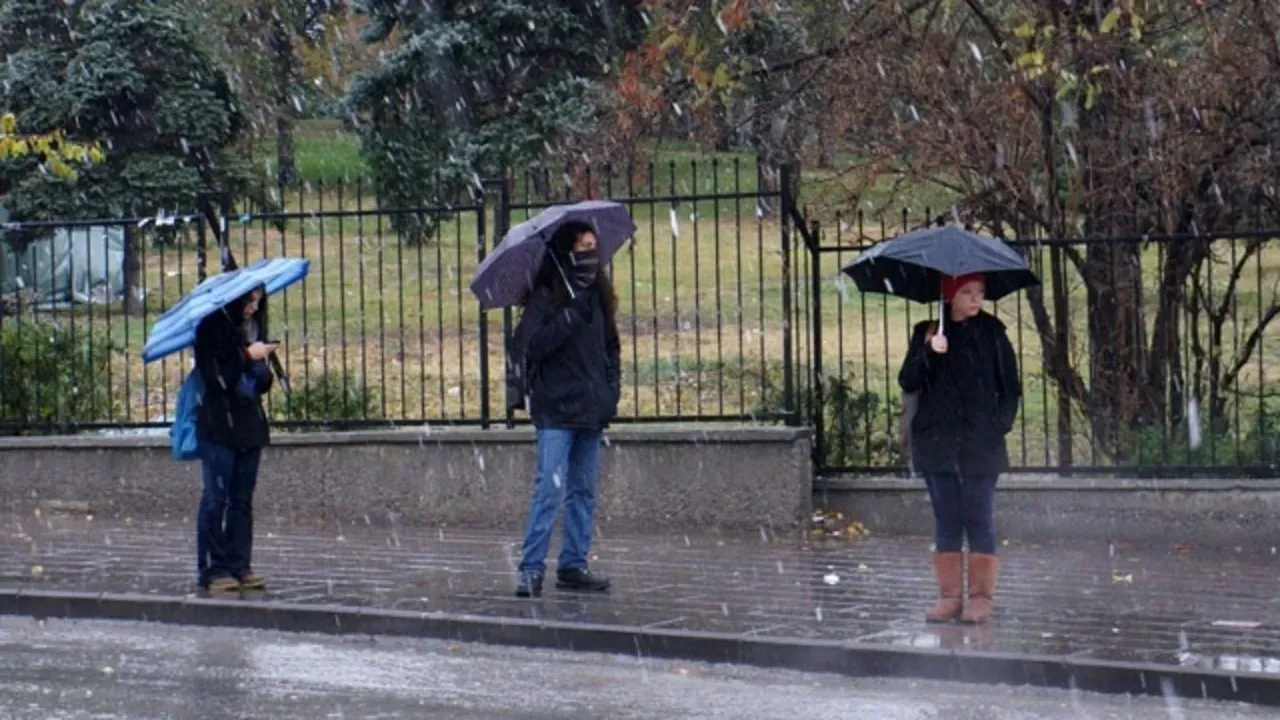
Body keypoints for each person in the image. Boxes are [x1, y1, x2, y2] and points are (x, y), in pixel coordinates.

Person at [898, 273, 1021, 624]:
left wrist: (998, 426)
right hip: (937, 442)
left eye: (980, 292)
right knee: (946, 519)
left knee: (978, 517)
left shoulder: (992, 333)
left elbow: (1009, 389)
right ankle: (949, 596)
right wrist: (928, 352)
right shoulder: (927, 329)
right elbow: (908, 380)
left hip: (980, 444)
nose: (975, 299)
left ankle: (980, 598)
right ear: (949, 295)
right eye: (967, 292)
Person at [510, 220, 621, 598]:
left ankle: (573, 564)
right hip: (556, 409)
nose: (590, 255)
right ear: (565, 252)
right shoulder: (546, 298)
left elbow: (611, 350)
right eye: (583, 247)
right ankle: (531, 568)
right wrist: (568, 317)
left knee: (583, 491)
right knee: (549, 491)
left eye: (594, 247)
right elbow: (532, 347)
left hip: (590, 409)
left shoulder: (598, 298)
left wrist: (610, 393)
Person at [193, 286, 277, 593]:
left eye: (258, 301)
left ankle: (240, 564)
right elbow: (217, 378)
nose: (253, 308)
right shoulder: (211, 329)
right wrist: (245, 356)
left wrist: (259, 363)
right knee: (216, 498)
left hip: (248, 426)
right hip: (219, 427)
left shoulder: (251, 329)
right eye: (249, 300)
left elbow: (263, 382)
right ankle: (213, 568)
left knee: (242, 501)